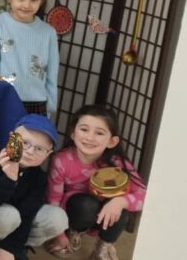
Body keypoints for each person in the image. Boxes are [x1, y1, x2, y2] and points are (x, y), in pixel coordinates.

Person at [44, 105, 147, 260]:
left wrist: (120, 202)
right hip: (75, 212)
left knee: (122, 211)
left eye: (99, 133)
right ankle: (73, 233)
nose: (90, 137)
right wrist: (58, 234)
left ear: (112, 141)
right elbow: (53, 199)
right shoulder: (62, 160)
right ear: (73, 133)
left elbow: (144, 195)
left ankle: (103, 246)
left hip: (106, 213)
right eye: (84, 129)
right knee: (85, 204)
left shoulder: (116, 163)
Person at [0, 114, 68, 260]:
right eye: (24, 143)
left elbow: (27, 214)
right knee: (9, 215)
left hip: (15, 225)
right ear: (11, 138)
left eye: (39, 149)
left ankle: (13, 246)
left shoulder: (39, 178)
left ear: (48, 154)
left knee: (57, 217)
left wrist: (9, 248)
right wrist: (9, 179)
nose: (30, 151)